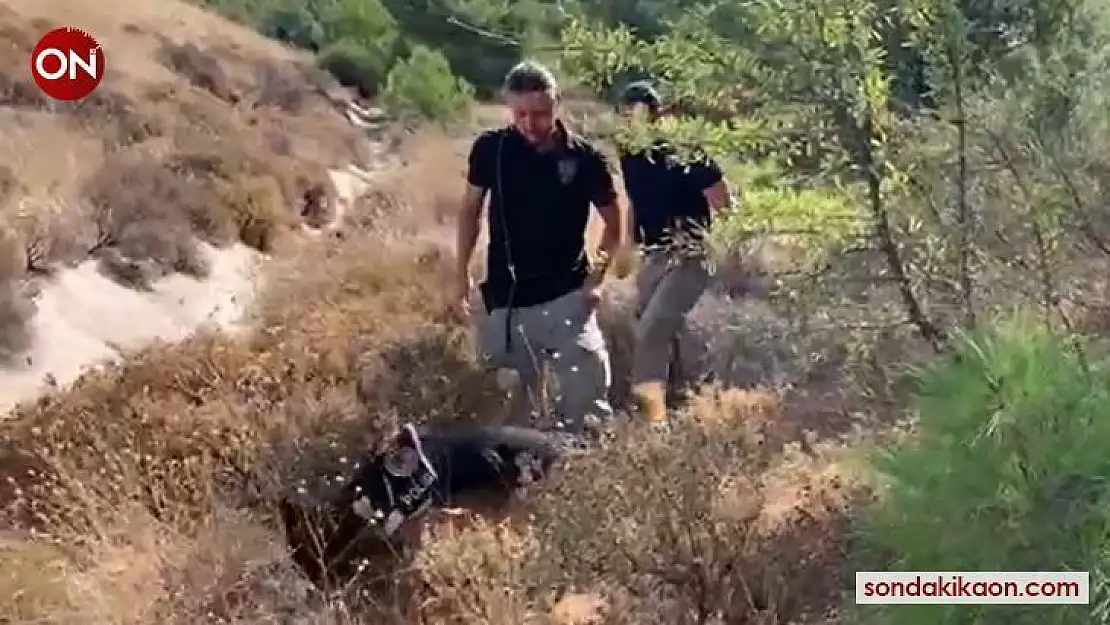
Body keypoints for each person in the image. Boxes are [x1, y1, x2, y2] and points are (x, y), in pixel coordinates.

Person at [449, 61, 623, 437]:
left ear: (557, 105)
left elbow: (614, 225)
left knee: (586, 402)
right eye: (520, 114)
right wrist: (461, 273)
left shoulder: (586, 159)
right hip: (506, 300)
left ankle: (582, 478)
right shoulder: (491, 150)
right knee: (506, 411)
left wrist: (595, 281)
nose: (530, 123)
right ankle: (517, 485)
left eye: (540, 114)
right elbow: (469, 211)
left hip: (566, 298)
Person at [616, 81, 734, 425]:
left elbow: (722, 198)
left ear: (657, 114)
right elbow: (636, 199)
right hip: (653, 253)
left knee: (654, 327)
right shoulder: (629, 152)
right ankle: (685, 403)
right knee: (661, 329)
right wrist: (626, 244)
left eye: (642, 113)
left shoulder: (686, 150)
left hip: (690, 253)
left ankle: (650, 419)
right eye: (628, 115)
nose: (635, 121)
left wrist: (728, 247)